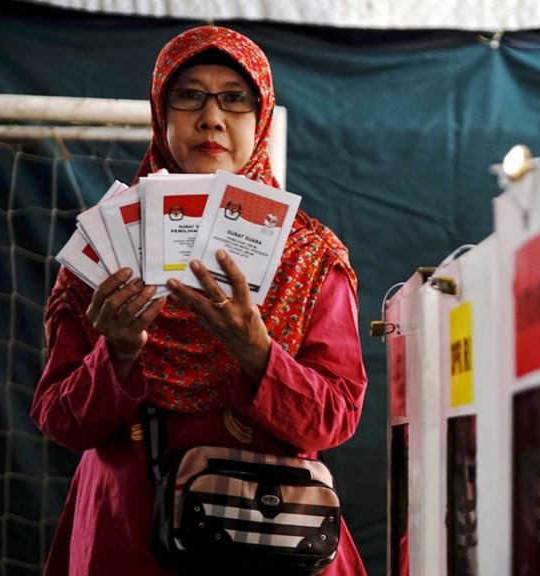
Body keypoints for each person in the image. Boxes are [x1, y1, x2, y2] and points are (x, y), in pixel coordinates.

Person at [31, 26, 368, 575]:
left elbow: (334, 420)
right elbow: (60, 422)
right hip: (131, 538)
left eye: (235, 98)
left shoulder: (309, 257)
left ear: (261, 120)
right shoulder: (105, 250)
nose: (211, 117)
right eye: (187, 95)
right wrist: (115, 353)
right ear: (159, 114)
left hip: (271, 537)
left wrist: (257, 349)